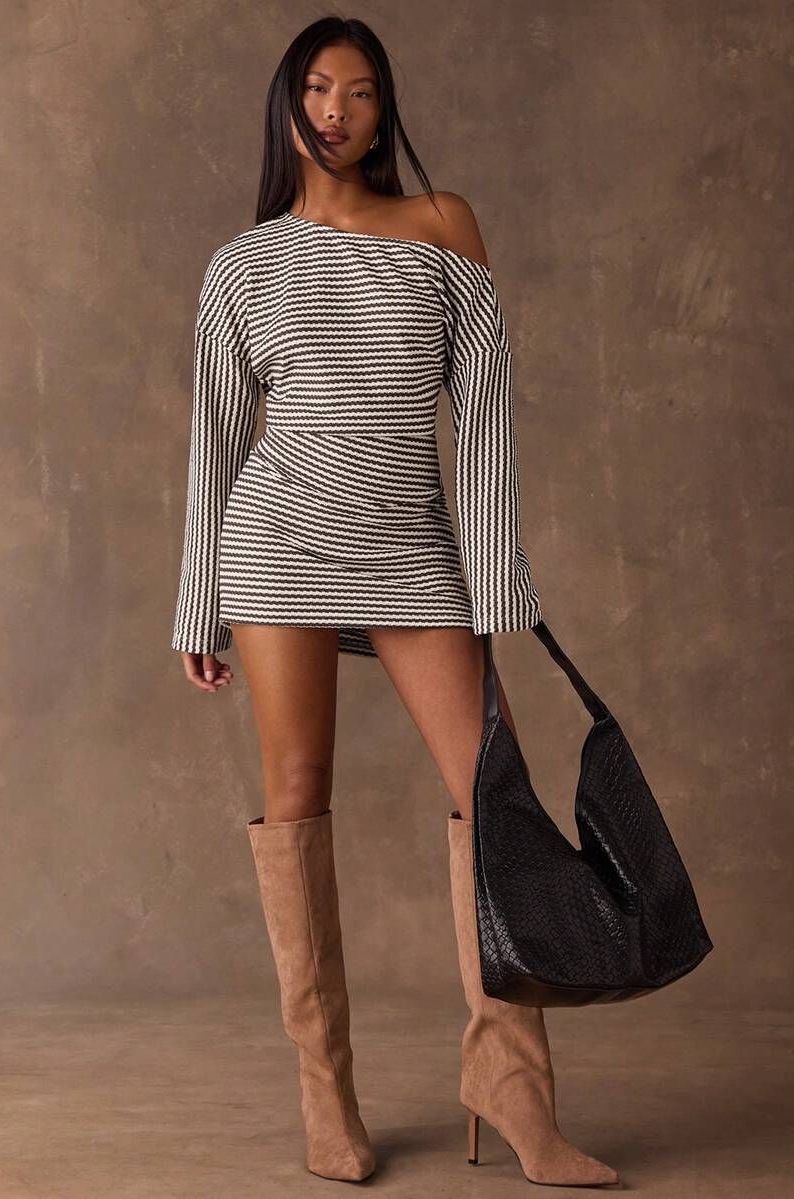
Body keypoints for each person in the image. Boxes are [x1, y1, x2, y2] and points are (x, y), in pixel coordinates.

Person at [170, 15, 620, 1190]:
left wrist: (496, 586)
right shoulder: (242, 264)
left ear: (384, 111)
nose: (337, 111)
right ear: (288, 105)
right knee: (296, 795)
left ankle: (513, 1090)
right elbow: (216, 438)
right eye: (318, 89)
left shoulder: (441, 226)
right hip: (276, 546)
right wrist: (193, 605)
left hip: (411, 541)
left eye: (361, 92)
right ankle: (327, 1094)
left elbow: (486, 417)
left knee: (492, 789)